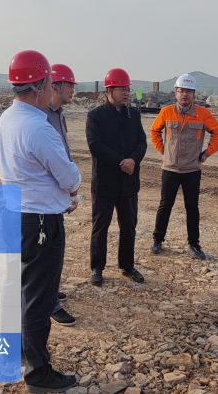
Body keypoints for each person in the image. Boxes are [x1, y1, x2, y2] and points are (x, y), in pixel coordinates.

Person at [0, 50, 81, 393]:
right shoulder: (38, 127)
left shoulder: (7, 118)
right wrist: (71, 189)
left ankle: (15, 348)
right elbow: (69, 177)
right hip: (40, 221)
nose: (52, 89)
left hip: (15, 213)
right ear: (40, 85)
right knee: (38, 298)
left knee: (17, 287)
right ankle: (38, 373)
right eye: (49, 83)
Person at [149, 73, 218, 259]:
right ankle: (157, 239)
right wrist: (163, 150)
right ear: (176, 92)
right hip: (170, 169)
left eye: (189, 91)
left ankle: (194, 244)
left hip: (192, 170)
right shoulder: (166, 112)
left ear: (193, 94)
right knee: (165, 205)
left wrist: (206, 154)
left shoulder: (202, 114)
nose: (185, 94)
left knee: (192, 207)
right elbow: (154, 130)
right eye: (182, 91)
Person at [86, 67, 147, 286]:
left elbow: (142, 142)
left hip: (128, 182)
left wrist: (133, 160)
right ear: (109, 91)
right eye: (122, 89)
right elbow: (95, 145)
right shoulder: (96, 116)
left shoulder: (134, 115)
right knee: (100, 227)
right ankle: (97, 267)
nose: (126, 93)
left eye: (128, 89)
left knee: (129, 226)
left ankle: (127, 265)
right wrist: (122, 161)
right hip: (105, 182)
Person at [45, 64, 78, 327]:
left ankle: (51, 290)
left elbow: (64, 152)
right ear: (55, 86)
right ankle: (49, 303)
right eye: (70, 86)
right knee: (46, 251)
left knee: (55, 249)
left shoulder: (59, 115)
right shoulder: (40, 117)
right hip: (45, 195)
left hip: (58, 192)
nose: (73, 91)